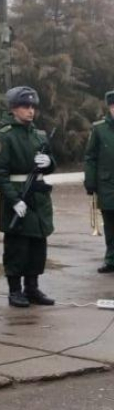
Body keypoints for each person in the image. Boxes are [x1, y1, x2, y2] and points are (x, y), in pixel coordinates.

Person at [0, 86, 56, 308]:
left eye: (32, 107)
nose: (30, 111)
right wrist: (14, 199)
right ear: (13, 109)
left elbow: (48, 163)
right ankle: (15, 290)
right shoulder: (5, 136)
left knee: (38, 245)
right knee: (17, 247)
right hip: (18, 194)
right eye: (25, 106)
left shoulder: (39, 135)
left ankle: (32, 287)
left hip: (38, 197)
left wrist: (49, 164)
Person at [84, 91, 114, 274]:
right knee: (110, 224)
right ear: (110, 107)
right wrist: (90, 180)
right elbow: (90, 157)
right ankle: (111, 259)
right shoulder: (99, 129)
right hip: (107, 183)